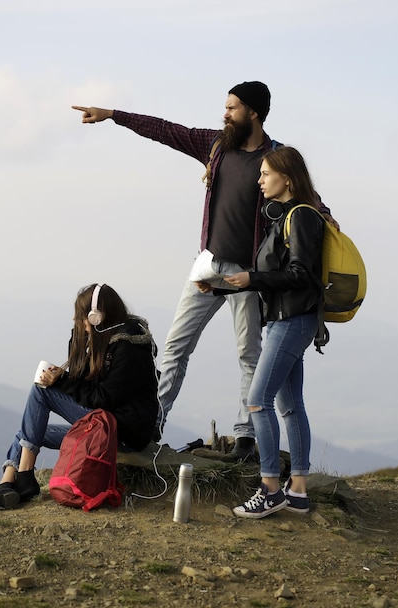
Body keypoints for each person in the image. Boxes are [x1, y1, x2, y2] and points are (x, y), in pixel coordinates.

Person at [72, 82, 336, 460]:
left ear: (254, 114)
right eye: (226, 107)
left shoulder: (275, 158)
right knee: (175, 347)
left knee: (249, 354)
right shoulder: (216, 146)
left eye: (232, 108)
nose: (225, 114)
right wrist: (114, 115)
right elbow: (165, 130)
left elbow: (305, 193)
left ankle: (245, 439)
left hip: (250, 274)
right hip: (208, 265)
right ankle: (151, 426)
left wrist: (326, 216)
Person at [0, 283, 159, 511]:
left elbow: (102, 399)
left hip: (121, 433)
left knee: (41, 391)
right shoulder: (108, 339)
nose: (82, 325)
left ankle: (25, 477)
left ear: (96, 317)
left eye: (82, 319)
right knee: (32, 430)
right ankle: (6, 484)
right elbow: (84, 380)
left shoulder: (129, 348)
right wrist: (78, 341)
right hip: (104, 426)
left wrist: (62, 381)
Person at [223, 146, 325, 518]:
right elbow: (276, 275)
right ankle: (297, 490)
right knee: (289, 404)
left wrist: (252, 277)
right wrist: (226, 286)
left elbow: (300, 275)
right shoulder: (286, 218)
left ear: (287, 178)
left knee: (257, 400)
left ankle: (269, 488)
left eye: (265, 174)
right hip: (288, 319)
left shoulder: (300, 217)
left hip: (293, 320)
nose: (259, 180)